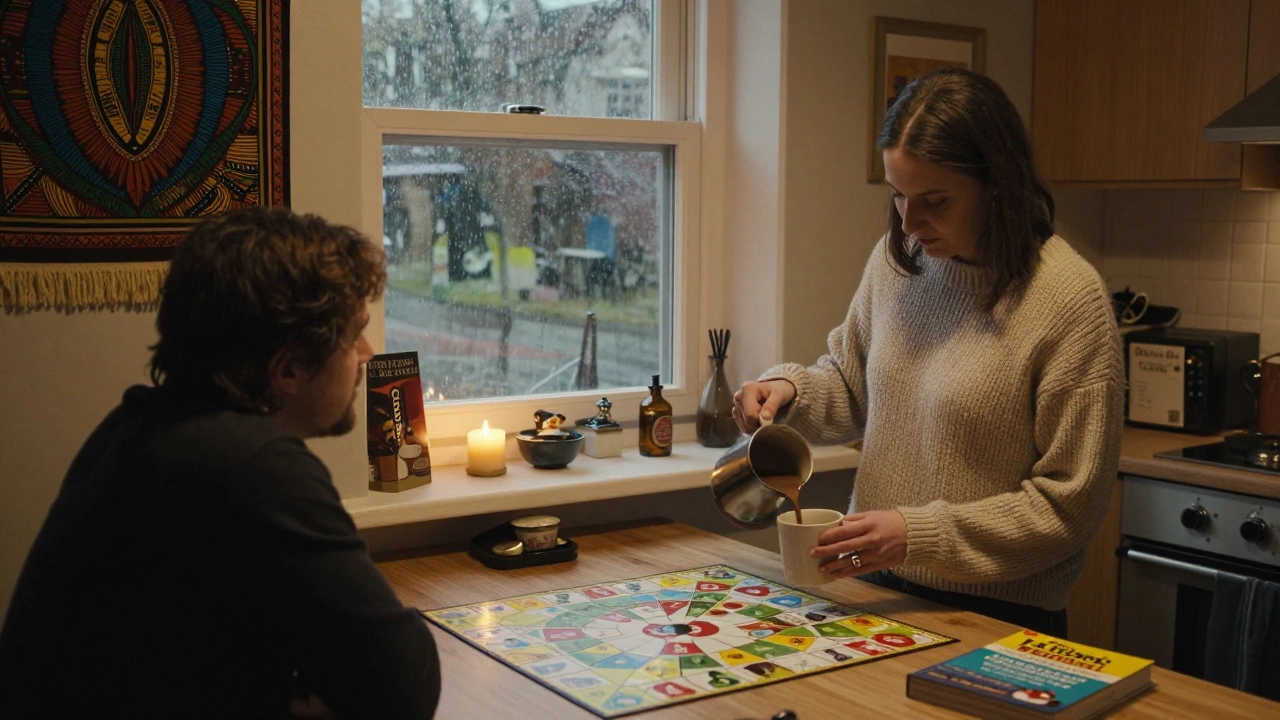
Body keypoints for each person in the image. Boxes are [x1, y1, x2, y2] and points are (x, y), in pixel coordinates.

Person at [0, 208, 441, 719]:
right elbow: (405, 687)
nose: (367, 353)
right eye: (353, 335)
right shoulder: (254, 467)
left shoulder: (133, 426)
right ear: (288, 368)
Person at [733, 68, 1123, 636]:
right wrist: (789, 393)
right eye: (898, 197)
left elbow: (1067, 510)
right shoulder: (898, 264)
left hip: (1003, 618)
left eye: (934, 201)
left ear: (998, 185)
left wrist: (916, 535)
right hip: (876, 592)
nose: (910, 224)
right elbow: (851, 385)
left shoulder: (1068, 300)